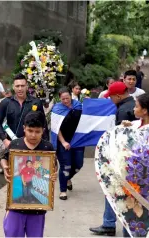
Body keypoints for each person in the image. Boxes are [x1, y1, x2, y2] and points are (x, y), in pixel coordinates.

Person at [89, 81, 136, 237]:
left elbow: (121, 139)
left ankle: (119, 228)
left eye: (111, 97)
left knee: (115, 191)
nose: (110, 100)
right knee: (114, 191)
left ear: (118, 96)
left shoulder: (123, 111)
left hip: (122, 160)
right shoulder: (134, 104)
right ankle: (109, 223)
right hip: (131, 158)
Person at [0, 111, 57, 237]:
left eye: (37, 132)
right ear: (24, 128)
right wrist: (5, 168)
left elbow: (53, 167)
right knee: (12, 232)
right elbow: (4, 158)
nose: (33, 135)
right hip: (15, 205)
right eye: (30, 130)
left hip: (38, 209)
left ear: (43, 131)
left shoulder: (48, 147)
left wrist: (54, 174)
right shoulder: (15, 144)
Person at [0, 73, 49, 151]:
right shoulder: (6, 102)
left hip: (33, 146)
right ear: (13, 87)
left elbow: (44, 124)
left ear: (27, 87)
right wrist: (4, 140)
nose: (20, 89)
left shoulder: (36, 102)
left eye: (22, 86)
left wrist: (46, 144)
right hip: (12, 145)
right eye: (17, 86)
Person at [53, 87, 83, 200]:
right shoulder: (57, 109)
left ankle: (67, 178)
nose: (66, 101)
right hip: (63, 141)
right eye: (63, 99)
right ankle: (63, 190)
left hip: (78, 141)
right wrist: (63, 141)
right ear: (59, 99)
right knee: (66, 166)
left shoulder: (78, 106)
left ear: (71, 96)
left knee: (78, 165)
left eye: (67, 98)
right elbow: (56, 128)